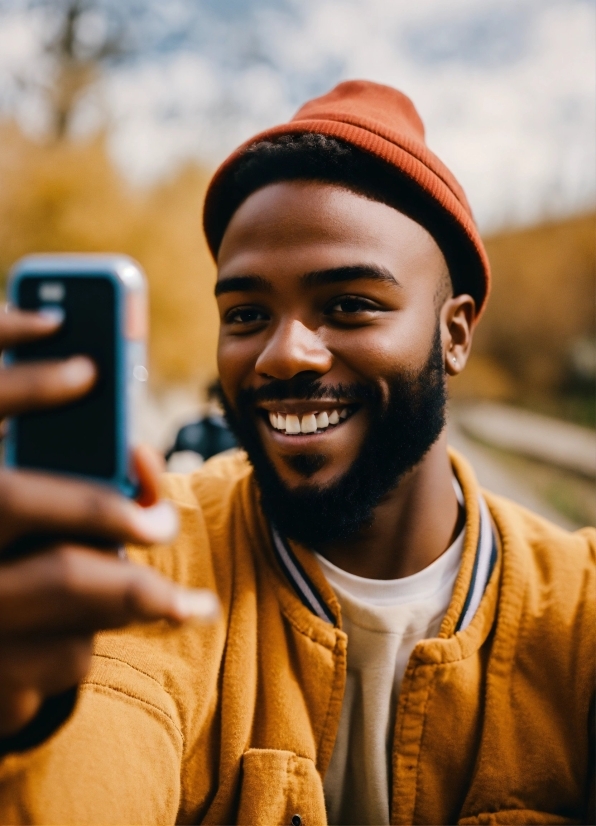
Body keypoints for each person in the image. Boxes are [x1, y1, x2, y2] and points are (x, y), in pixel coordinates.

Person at [0, 81, 593, 825]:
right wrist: (24, 721)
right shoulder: (145, 558)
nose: (283, 355)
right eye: (246, 313)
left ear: (456, 334)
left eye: (348, 304)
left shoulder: (578, 612)